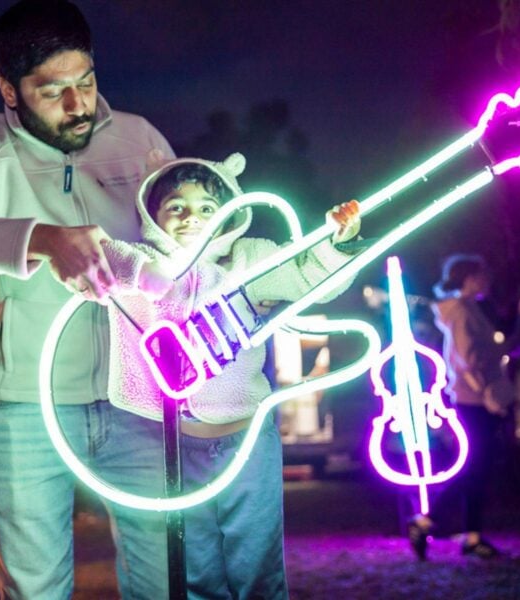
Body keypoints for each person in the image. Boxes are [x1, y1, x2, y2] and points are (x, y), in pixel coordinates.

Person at [0, 1, 176, 597]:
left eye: (87, 82)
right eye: (54, 92)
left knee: (165, 580)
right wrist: (42, 239)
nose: (78, 105)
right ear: (9, 89)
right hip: (26, 407)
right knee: (33, 588)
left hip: (141, 399)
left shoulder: (139, 138)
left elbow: (191, 241)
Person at [95, 152, 360, 598]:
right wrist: (147, 273)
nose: (190, 218)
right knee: (197, 573)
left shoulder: (249, 260)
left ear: (228, 214)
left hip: (247, 440)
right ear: (152, 215)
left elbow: (309, 277)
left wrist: (337, 243)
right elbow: (98, 261)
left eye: (205, 208)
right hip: (176, 446)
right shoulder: (139, 262)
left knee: (256, 565)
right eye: (175, 207)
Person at [407, 254, 514, 560]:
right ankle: (428, 522)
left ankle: (469, 534)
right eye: (481, 275)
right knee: (472, 467)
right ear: (468, 278)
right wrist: (489, 379)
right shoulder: (463, 311)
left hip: (475, 396)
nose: (487, 280)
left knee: (476, 468)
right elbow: (468, 357)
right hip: (474, 398)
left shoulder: (464, 309)